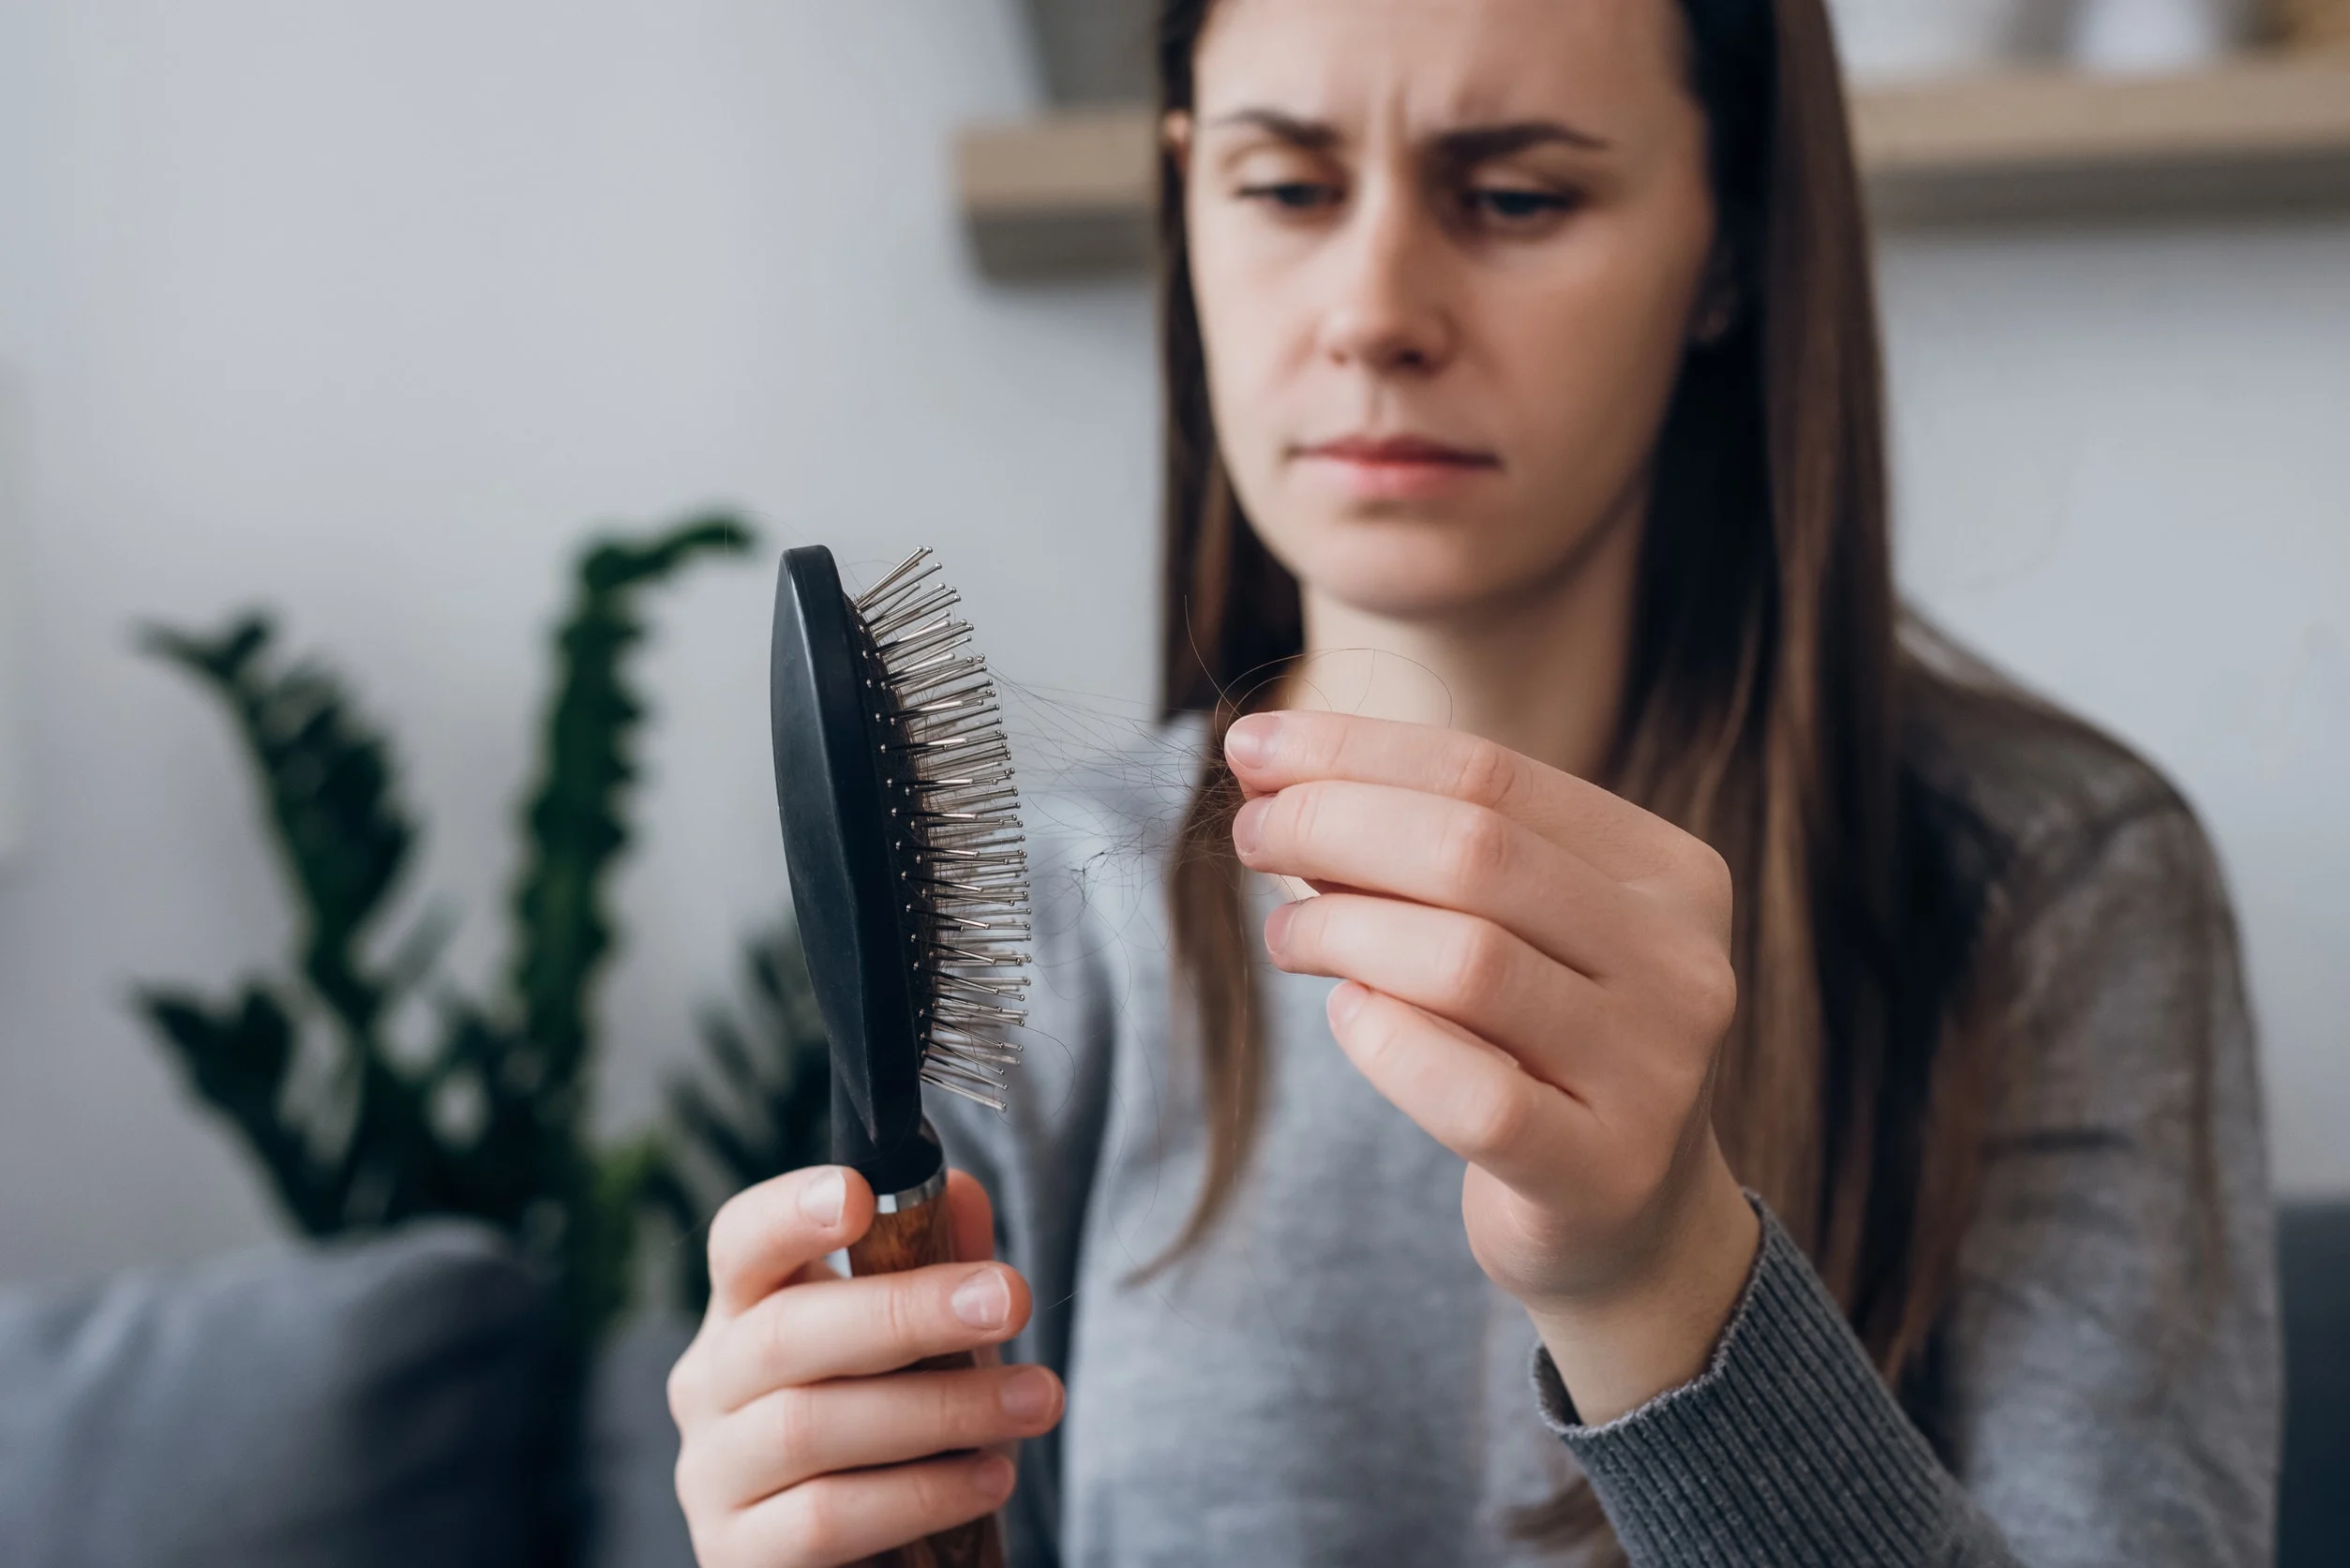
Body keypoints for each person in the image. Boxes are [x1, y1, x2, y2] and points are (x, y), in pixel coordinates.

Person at [664, 0, 2281, 1561]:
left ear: (1728, 244)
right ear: (1185, 192)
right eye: (1284, 186)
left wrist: (1658, 1276)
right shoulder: (1043, 925)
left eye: (1515, 195)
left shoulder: (2056, 886)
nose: (1374, 310)